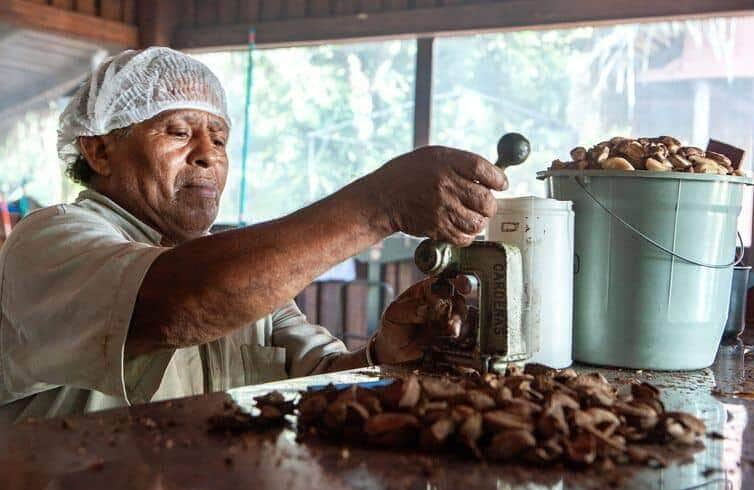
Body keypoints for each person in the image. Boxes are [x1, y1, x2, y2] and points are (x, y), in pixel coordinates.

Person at [0, 47, 506, 423]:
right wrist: (381, 204)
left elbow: (319, 374)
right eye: (179, 132)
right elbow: (181, 305)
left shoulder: (242, 271)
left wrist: (380, 358)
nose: (208, 154)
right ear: (100, 151)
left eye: (218, 138)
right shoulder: (48, 239)